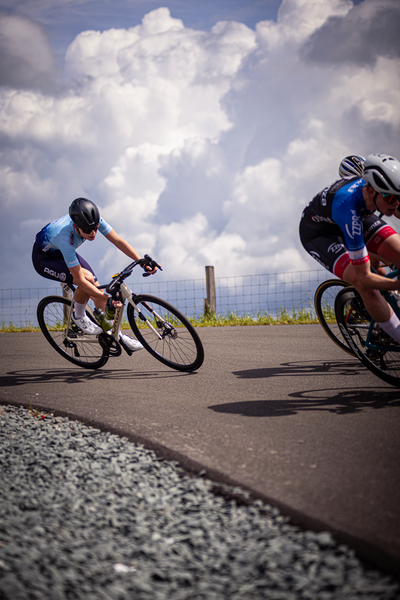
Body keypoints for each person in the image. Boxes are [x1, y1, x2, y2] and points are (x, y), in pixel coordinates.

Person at [32, 197, 157, 352]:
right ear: (76, 226)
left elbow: (118, 241)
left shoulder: (92, 221)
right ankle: (78, 317)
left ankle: (115, 335)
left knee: (97, 288)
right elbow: (80, 280)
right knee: (88, 281)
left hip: (63, 253)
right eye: (87, 231)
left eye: (95, 228)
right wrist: (107, 299)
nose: (93, 233)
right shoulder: (64, 238)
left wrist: (140, 261)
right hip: (45, 260)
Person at [299, 153, 400, 344]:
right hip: (321, 234)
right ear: (371, 190)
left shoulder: (387, 191)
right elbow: (365, 277)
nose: (395, 203)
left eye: (398, 198)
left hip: (358, 213)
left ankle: (390, 306)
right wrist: (396, 284)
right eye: (390, 199)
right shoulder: (347, 205)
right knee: (366, 285)